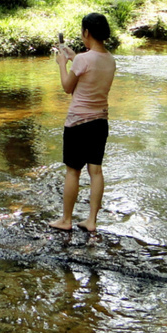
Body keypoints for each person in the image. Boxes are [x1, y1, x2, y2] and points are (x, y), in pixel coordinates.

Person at [50, 12, 116, 232]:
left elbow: (68, 87)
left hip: (78, 123)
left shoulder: (82, 59)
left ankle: (66, 220)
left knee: (72, 171)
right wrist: (73, 57)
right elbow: (90, 71)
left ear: (86, 32)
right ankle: (92, 222)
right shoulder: (110, 59)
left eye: (82, 31)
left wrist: (62, 63)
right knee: (95, 171)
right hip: (100, 122)